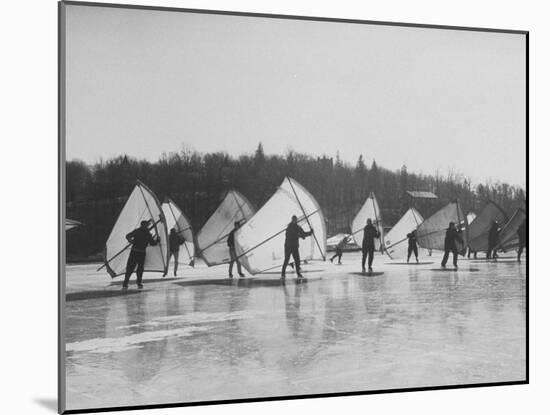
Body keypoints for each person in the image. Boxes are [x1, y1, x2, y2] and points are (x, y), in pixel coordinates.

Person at [122, 220, 160, 289]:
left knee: (140, 269)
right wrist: (131, 240)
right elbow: (128, 236)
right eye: (146, 225)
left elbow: (152, 243)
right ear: (142, 225)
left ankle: (138, 282)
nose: (147, 226)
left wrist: (157, 241)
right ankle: (126, 283)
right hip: (135, 252)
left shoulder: (147, 234)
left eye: (147, 225)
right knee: (130, 268)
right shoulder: (138, 231)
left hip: (141, 253)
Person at [281, 215, 314, 279]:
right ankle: (283, 275)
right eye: (294, 220)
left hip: (295, 246)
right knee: (286, 260)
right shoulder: (289, 227)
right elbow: (290, 235)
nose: (295, 221)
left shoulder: (298, 227)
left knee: (297, 260)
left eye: (296, 220)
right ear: (292, 220)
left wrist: (310, 233)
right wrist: (299, 235)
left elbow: (303, 233)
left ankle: (298, 274)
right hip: (288, 246)